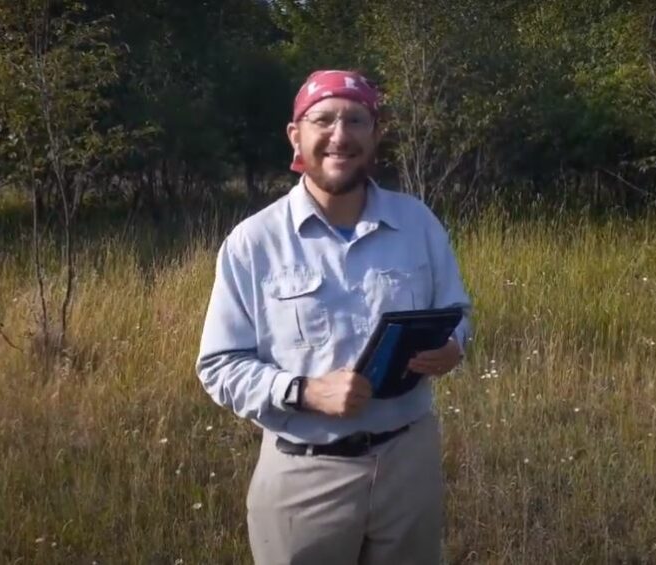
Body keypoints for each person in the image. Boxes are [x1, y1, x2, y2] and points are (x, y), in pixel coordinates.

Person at [196, 69, 472, 565]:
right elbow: (219, 366)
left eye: (356, 120)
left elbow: (458, 313)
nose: (340, 136)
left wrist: (454, 346)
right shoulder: (253, 243)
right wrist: (305, 391)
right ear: (295, 133)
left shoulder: (418, 223)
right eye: (323, 119)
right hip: (305, 475)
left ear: (375, 134)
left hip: (409, 464)